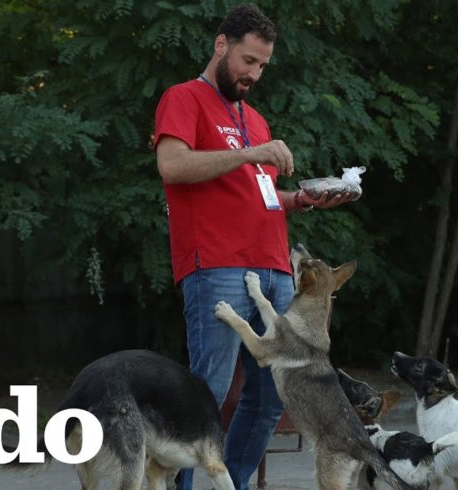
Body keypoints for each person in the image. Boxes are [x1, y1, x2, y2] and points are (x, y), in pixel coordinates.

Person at [154, 4, 351, 489]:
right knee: (208, 393)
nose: (253, 74)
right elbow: (173, 167)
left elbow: (258, 195)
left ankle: (232, 483)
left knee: (271, 396)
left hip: (273, 268)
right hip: (217, 264)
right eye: (247, 61)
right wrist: (249, 153)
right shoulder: (184, 98)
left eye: (262, 65)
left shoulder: (254, 119)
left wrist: (301, 200)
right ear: (221, 45)